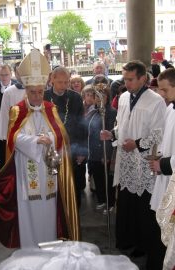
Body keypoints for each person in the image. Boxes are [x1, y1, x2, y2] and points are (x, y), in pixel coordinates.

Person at [0, 49, 80, 248]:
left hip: (48, 170)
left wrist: (49, 138)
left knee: (49, 209)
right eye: (32, 92)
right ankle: (30, 249)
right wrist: (34, 142)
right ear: (26, 90)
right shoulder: (17, 110)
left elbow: (61, 135)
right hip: (27, 169)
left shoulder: (51, 108)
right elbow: (13, 137)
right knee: (29, 210)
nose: (37, 96)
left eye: (40, 91)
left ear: (44, 89)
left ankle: (50, 246)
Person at [100, 60, 166, 270]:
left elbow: (159, 133)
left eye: (130, 79)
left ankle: (144, 245)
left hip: (144, 162)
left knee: (143, 207)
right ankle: (129, 240)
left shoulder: (156, 101)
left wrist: (137, 144)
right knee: (127, 202)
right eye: (125, 79)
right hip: (126, 160)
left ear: (142, 78)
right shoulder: (124, 97)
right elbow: (122, 124)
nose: (126, 83)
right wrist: (113, 134)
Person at [44, 66, 85, 207]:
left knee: (73, 183)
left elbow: (81, 124)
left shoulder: (75, 97)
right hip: (49, 147)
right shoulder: (43, 97)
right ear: (52, 80)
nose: (64, 86)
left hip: (71, 147)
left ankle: (73, 213)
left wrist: (81, 150)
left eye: (66, 82)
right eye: (60, 82)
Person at [87, 75, 117, 213]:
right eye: (97, 97)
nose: (99, 100)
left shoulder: (112, 113)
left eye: (102, 97)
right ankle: (101, 200)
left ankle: (110, 202)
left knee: (108, 180)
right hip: (93, 153)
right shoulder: (92, 112)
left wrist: (108, 154)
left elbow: (110, 134)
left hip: (105, 152)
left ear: (107, 98)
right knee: (98, 178)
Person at [149, 68, 175, 211]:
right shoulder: (170, 108)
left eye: (165, 90)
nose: (161, 94)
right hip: (167, 174)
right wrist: (158, 156)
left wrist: (163, 164)